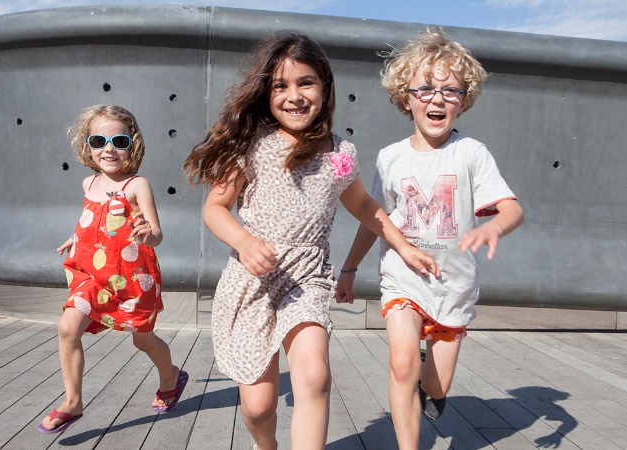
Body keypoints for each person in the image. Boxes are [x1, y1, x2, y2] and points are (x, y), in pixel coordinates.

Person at [182, 31, 439, 450]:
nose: (294, 95)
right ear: (266, 93)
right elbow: (215, 208)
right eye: (280, 86)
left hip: (308, 280)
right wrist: (245, 242)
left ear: (325, 87)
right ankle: (266, 445)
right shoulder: (250, 146)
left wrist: (405, 245)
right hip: (252, 283)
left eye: (306, 82)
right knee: (258, 408)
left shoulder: (340, 153)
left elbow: (364, 206)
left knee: (315, 376)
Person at [335, 29, 524, 450]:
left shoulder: (472, 153)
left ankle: (431, 390)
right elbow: (375, 220)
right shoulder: (390, 157)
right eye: (425, 88)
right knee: (402, 363)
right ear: (406, 98)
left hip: (452, 286)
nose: (437, 99)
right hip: (403, 278)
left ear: (464, 100)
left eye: (450, 91)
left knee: (436, 385)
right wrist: (348, 270)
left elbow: (512, 209)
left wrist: (494, 225)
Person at [39, 104, 189, 433]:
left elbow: (157, 233)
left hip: (134, 278)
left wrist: (148, 233)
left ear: (132, 145)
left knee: (143, 341)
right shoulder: (88, 184)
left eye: (119, 141)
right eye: (99, 140)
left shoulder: (137, 185)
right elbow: (92, 221)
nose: (109, 149)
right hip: (93, 274)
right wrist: (73, 237)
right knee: (68, 327)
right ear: (86, 145)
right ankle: (73, 401)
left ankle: (171, 377)